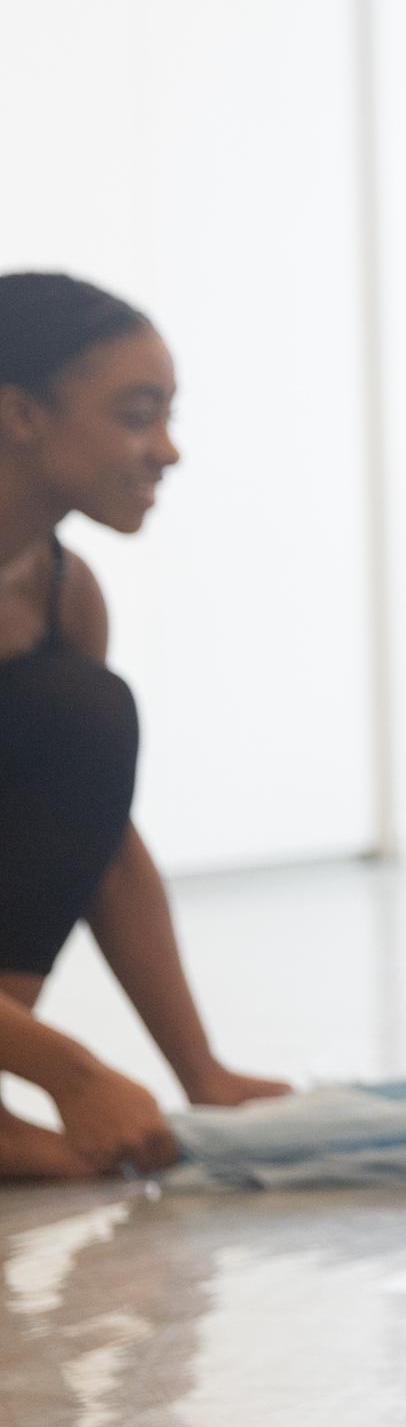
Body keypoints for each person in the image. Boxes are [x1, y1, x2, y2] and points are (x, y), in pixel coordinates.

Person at [0, 274, 290, 1179]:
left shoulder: (63, 591)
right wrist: (73, 1075)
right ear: (21, 415)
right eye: (136, 414)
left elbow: (100, 843)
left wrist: (201, 1074)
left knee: (88, 715)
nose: (166, 450)